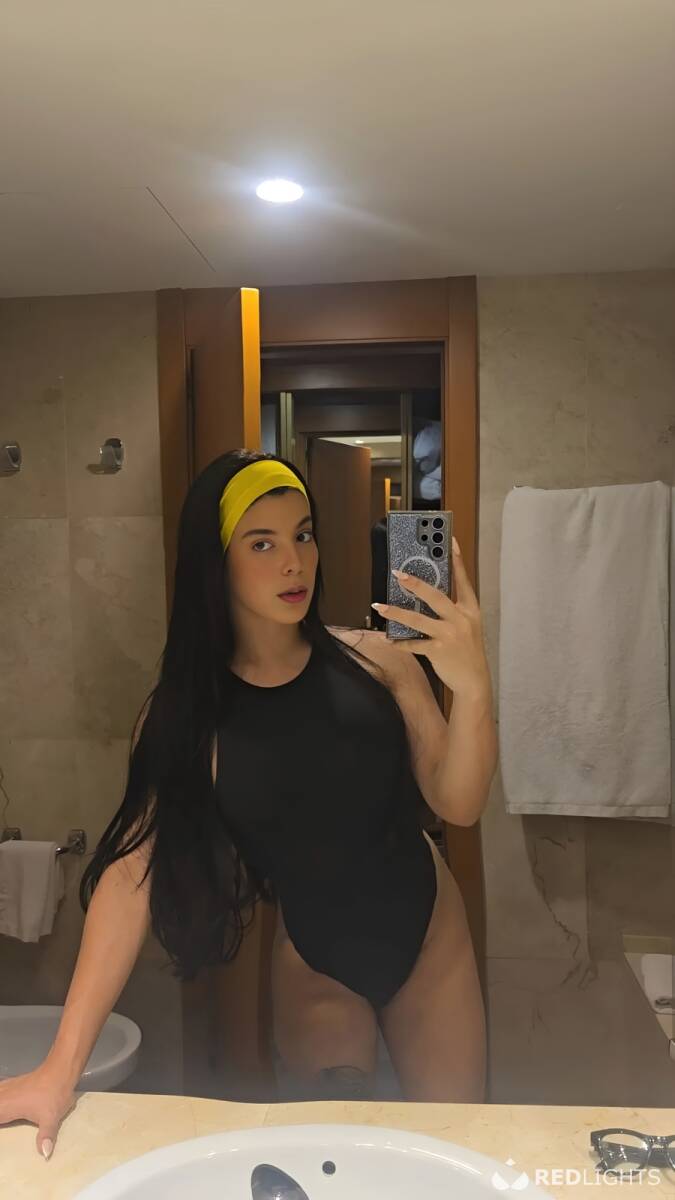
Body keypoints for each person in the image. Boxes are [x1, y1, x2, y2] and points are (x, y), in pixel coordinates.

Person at [0, 449, 495, 1160]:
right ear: (217, 563)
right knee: (334, 1162)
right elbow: (128, 875)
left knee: (456, 1154)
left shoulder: (379, 664)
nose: (294, 562)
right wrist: (58, 1069)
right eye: (261, 543)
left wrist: (472, 687)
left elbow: (460, 802)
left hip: (430, 945)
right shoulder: (185, 721)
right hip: (318, 964)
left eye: (303, 534)